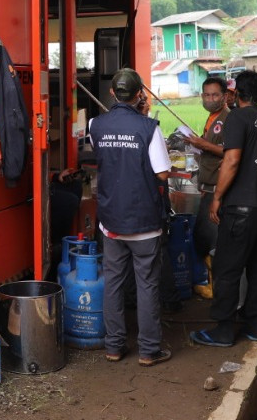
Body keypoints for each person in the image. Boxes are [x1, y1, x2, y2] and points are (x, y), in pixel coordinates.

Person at [189, 69, 257, 347]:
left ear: (236, 94)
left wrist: (217, 197)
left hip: (243, 205)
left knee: (227, 267)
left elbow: (231, 161)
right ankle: (253, 324)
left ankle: (224, 330)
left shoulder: (238, 117)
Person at [88, 68, 172, 367]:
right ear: (140, 94)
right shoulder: (149, 127)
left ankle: (113, 347)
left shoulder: (95, 124)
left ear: (112, 92)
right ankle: (148, 351)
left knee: (113, 283)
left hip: (111, 220)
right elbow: (162, 173)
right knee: (147, 284)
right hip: (144, 222)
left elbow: (107, 158)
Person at [181, 76, 229, 298]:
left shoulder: (228, 118)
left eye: (215, 95)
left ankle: (217, 288)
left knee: (210, 238)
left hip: (218, 189)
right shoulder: (212, 118)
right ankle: (213, 283)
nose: (210, 99)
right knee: (204, 237)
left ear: (225, 96)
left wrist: (202, 144)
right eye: (207, 95)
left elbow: (230, 152)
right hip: (207, 185)